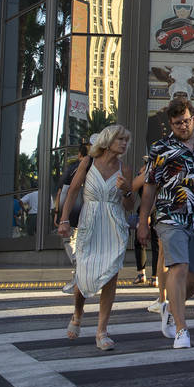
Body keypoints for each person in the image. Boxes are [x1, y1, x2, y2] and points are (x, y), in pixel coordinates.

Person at [136, 96, 194, 350]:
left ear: (193, 119)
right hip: (170, 216)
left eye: (185, 122)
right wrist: (143, 221)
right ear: (170, 124)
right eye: (177, 124)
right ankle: (181, 329)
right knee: (179, 266)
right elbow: (149, 189)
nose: (182, 127)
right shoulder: (160, 149)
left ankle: (172, 308)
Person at [57, 125, 136, 351]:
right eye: (119, 139)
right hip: (90, 223)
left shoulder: (125, 169)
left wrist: (127, 190)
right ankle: (78, 313)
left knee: (110, 275)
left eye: (125, 140)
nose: (123, 144)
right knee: (83, 274)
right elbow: (72, 191)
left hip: (113, 225)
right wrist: (63, 220)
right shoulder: (88, 163)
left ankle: (102, 331)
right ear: (108, 140)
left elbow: (130, 206)